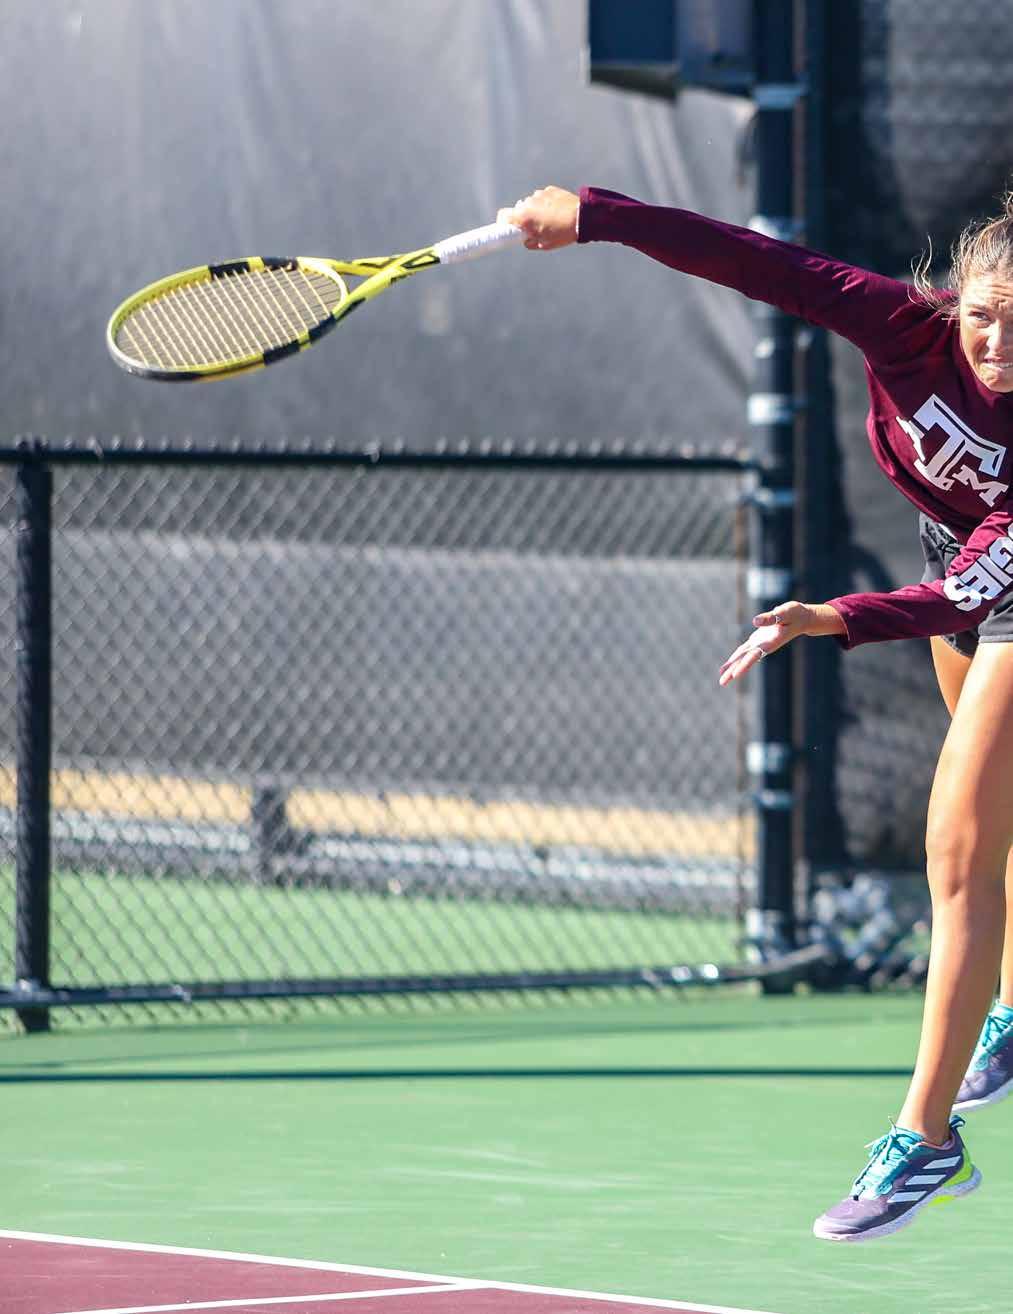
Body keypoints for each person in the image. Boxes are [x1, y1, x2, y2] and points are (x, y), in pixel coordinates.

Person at [499, 182, 1013, 1243]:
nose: (997, 343)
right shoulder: (897, 325)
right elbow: (757, 263)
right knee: (996, 815)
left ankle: (924, 1141)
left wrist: (832, 617)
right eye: (983, 316)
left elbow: (969, 591)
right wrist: (596, 214)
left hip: (987, 575)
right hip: (946, 549)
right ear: (952, 302)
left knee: (957, 849)